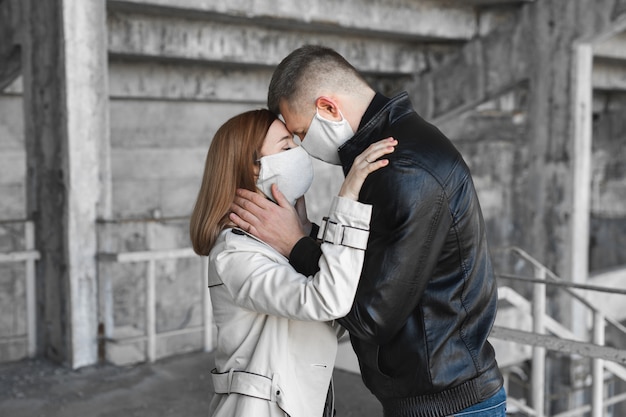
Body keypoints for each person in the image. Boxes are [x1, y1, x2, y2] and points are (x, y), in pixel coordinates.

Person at [229, 46, 506, 416]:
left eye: (300, 133)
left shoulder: (402, 169)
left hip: (448, 404)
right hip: (438, 395)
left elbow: (368, 315)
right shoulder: (388, 150)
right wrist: (307, 235)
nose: (303, 150)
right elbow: (370, 266)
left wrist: (297, 245)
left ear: (329, 108)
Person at [189, 108, 397, 417]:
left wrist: (305, 237)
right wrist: (348, 198)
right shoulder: (235, 253)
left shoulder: (271, 242)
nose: (299, 154)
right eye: (286, 147)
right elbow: (329, 301)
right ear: (254, 169)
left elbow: (328, 322)